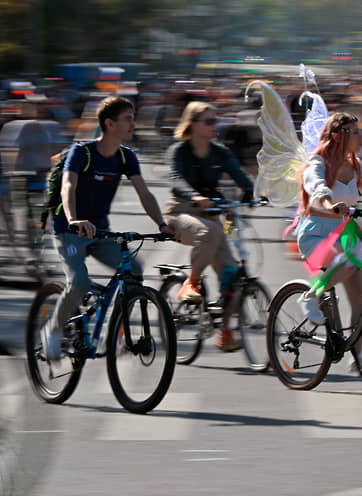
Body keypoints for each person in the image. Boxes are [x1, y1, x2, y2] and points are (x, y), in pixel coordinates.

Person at [43, 96, 173, 361]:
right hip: (68, 230)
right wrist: (73, 219)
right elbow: (69, 187)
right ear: (109, 123)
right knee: (78, 283)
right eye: (128, 119)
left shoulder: (126, 156)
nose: (133, 124)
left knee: (133, 271)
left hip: (100, 231)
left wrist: (162, 224)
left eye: (133, 118)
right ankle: (52, 331)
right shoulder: (83, 153)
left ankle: (121, 335)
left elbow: (145, 194)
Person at [297, 112, 362, 376]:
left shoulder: (356, 166)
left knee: (360, 302)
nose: (361, 136)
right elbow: (317, 188)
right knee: (344, 261)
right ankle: (310, 297)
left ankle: (356, 357)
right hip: (317, 235)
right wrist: (330, 204)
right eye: (354, 132)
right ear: (337, 136)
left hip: (346, 235)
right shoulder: (318, 162)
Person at [164, 101, 255, 352]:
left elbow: (238, 173)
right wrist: (195, 197)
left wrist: (249, 190)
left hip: (211, 214)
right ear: (192, 124)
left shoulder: (220, 152)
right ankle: (190, 284)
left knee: (232, 273)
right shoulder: (178, 151)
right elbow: (176, 180)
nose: (215, 126)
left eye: (216, 120)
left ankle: (224, 331)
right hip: (180, 212)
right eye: (209, 121)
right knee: (210, 231)